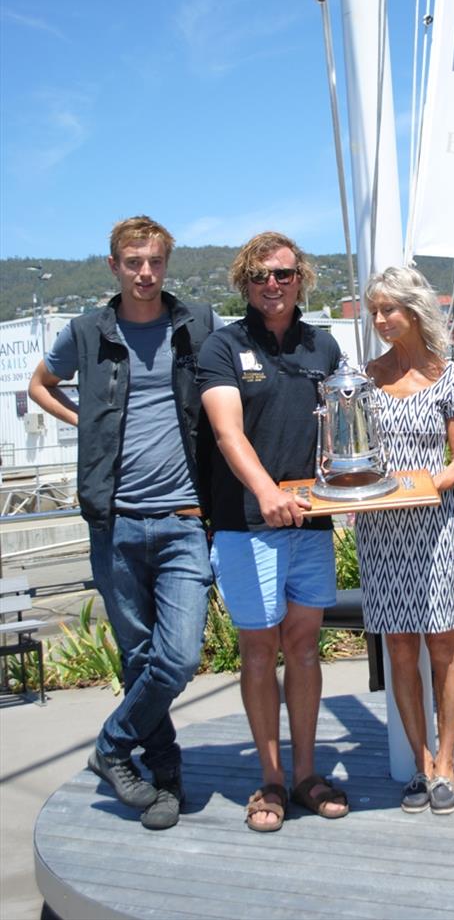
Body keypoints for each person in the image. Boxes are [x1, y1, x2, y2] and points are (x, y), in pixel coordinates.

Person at [28, 215, 216, 831]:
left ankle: (111, 748)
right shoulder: (86, 332)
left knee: (179, 656)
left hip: (185, 517)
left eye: (155, 262)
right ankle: (163, 779)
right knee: (139, 658)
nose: (145, 273)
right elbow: (41, 385)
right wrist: (84, 419)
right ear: (114, 266)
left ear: (167, 263)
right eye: (133, 262)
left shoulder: (197, 324)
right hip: (114, 522)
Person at [196, 231, 348, 833]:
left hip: (311, 520)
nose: (273, 285)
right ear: (245, 282)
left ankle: (307, 773)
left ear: (301, 277)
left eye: (283, 274)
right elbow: (228, 433)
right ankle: (271, 779)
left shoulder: (325, 347)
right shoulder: (223, 346)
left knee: (305, 647)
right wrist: (265, 492)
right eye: (260, 276)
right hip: (247, 525)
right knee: (259, 651)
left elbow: (343, 430)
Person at [359, 267, 454, 815]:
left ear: (414, 309)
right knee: (399, 645)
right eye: (374, 310)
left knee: (442, 643)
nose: (381, 320)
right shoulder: (364, 378)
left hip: (433, 525)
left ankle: (448, 761)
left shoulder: (451, 376)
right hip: (380, 530)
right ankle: (421, 762)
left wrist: (422, 488)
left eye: (390, 309)